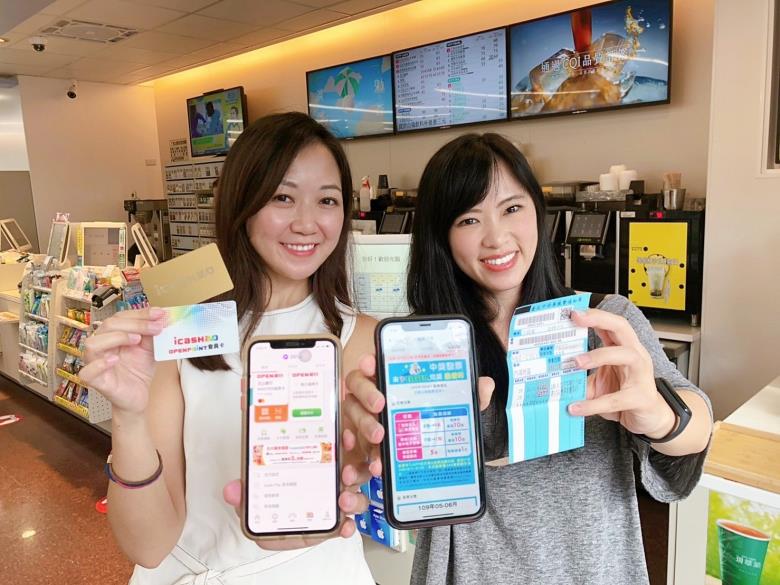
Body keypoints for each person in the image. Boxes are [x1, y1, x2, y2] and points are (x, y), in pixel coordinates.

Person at [346, 133, 713, 584]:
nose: (496, 237)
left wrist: (658, 415)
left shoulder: (603, 321)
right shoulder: (426, 346)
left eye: (512, 208)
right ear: (441, 238)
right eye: (468, 219)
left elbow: (696, 423)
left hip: (593, 569)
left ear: (537, 212)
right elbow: (404, 486)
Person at [80, 112, 379, 584]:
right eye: (282, 197)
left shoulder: (362, 338)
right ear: (243, 204)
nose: (307, 223)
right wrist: (128, 417)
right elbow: (147, 546)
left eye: (327, 200)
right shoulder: (184, 329)